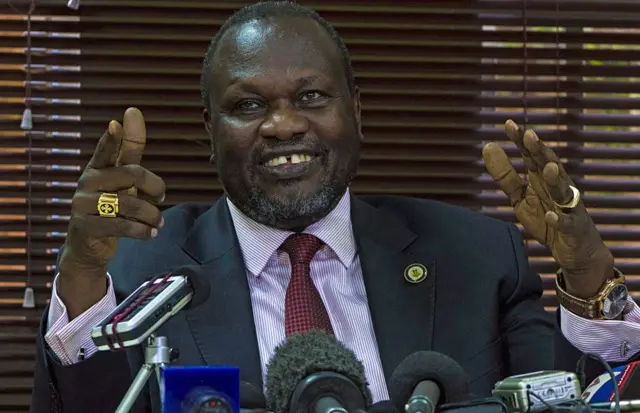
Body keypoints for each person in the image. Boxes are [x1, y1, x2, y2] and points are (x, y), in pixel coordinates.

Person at [30, 2, 640, 413]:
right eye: (247, 106)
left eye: (311, 96)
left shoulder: (476, 259)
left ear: (355, 110)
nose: (283, 125)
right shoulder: (141, 276)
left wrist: (587, 272)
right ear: (210, 130)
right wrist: (82, 273)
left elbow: (578, 399)